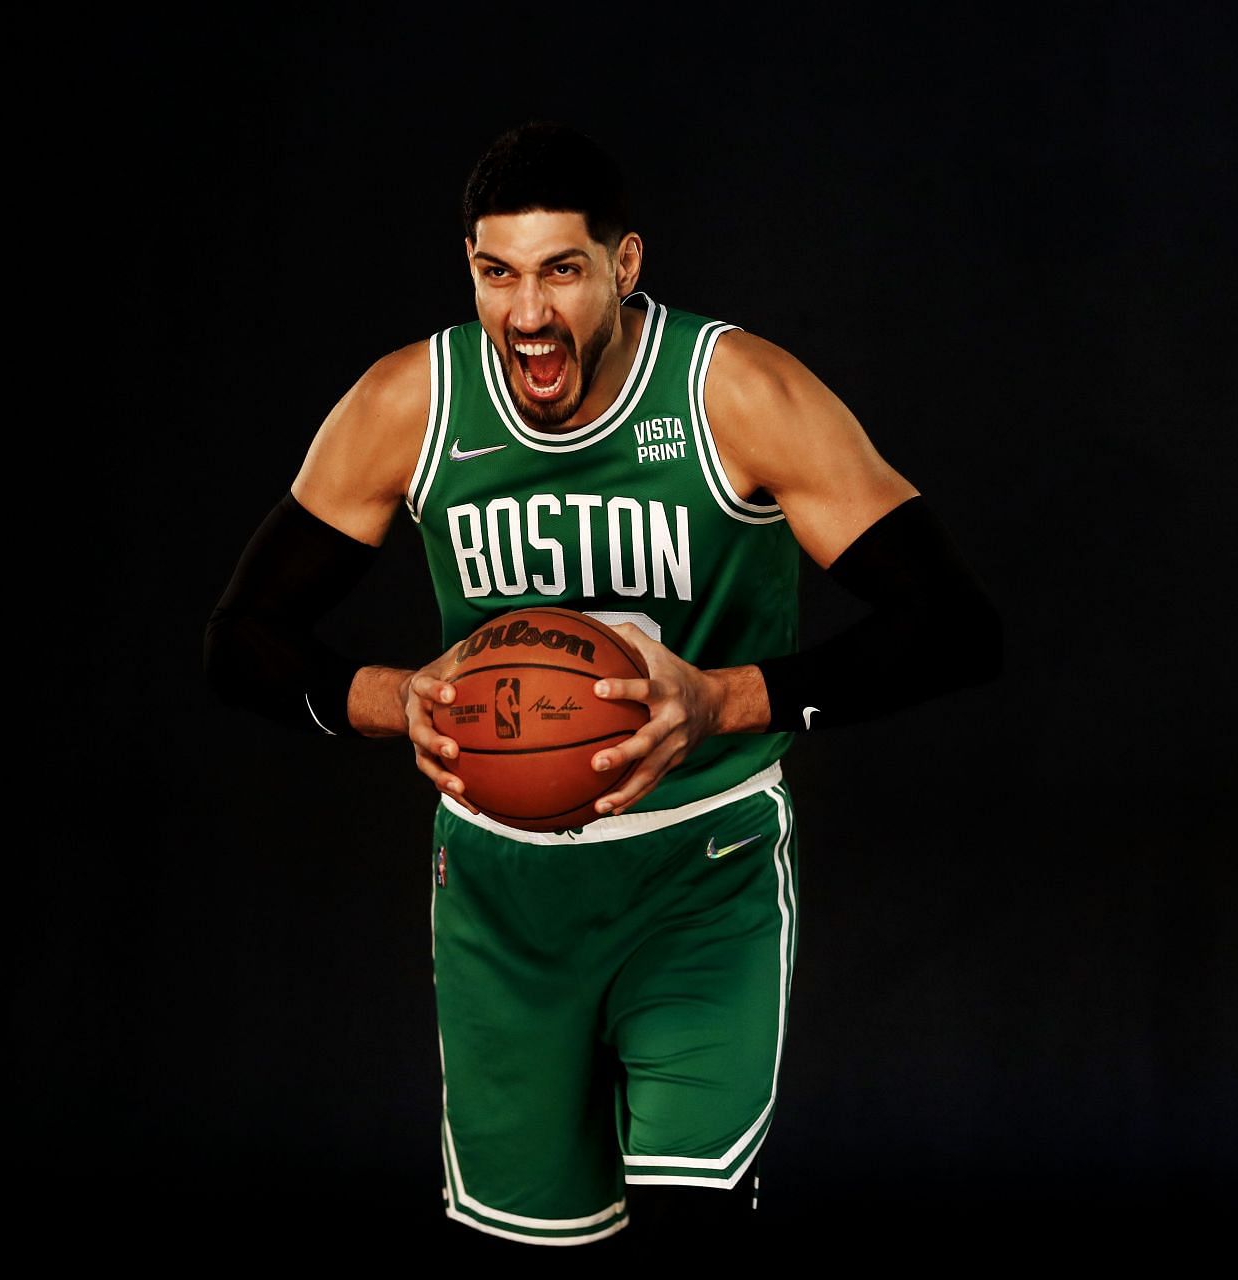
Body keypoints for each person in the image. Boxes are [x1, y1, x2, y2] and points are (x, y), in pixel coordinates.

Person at [206, 122, 1000, 1247]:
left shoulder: (738, 394)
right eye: (498, 273)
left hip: (701, 872)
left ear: (624, 265)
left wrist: (721, 700)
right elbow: (237, 637)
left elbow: (957, 628)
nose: (527, 313)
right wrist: (398, 697)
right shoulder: (411, 406)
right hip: (500, 895)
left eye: (561, 271)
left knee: (691, 1216)